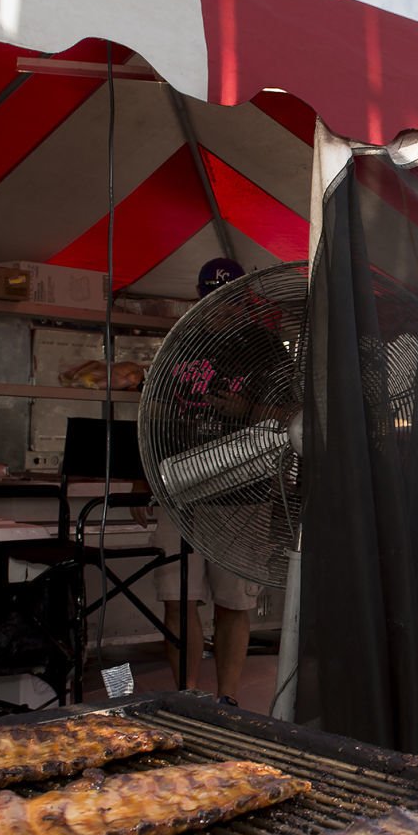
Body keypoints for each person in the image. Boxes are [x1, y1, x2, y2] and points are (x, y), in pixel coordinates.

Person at [150, 256, 261, 702]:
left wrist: (246, 412)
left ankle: (228, 699)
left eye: (229, 299)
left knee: (233, 602)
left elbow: (295, 415)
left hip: (241, 494)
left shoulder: (264, 346)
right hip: (177, 489)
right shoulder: (177, 344)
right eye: (211, 298)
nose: (220, 307)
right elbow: (151, 417)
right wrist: (147, 477)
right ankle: (188, 696)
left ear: (243, 300)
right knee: (176, 598)